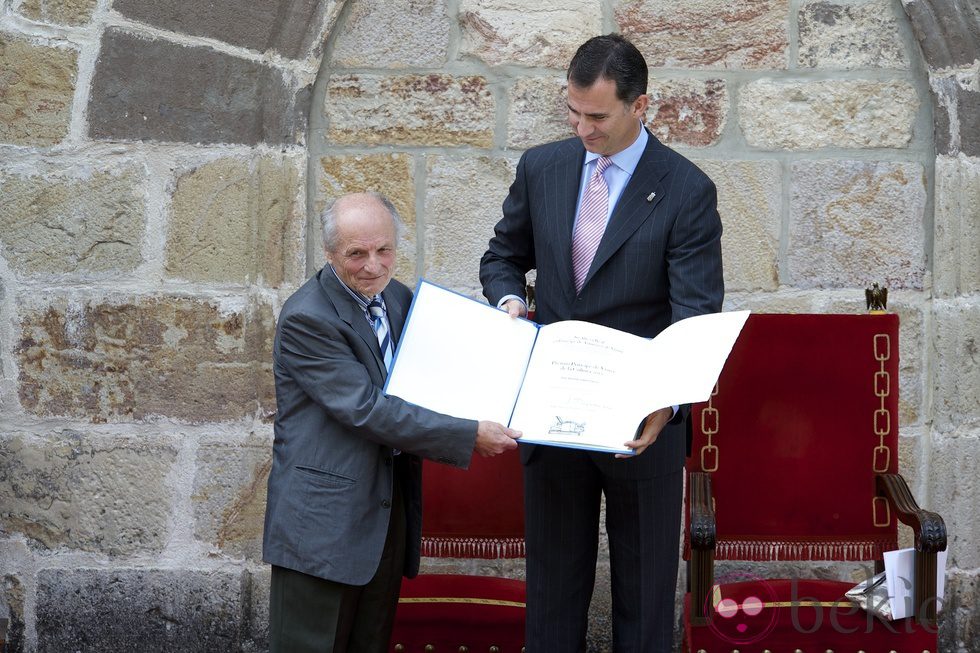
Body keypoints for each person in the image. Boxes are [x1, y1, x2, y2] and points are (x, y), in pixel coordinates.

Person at [480, 34, 724, 652]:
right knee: (553, 600)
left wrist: (665, 404)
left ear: (641, 106)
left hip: (641, 425)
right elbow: (502, 256)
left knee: (644, 606)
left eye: (597, 116)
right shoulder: (543, 168)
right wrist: (510, 305)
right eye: (573, 111)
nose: (582, 128)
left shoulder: (687, 190)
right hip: (552, 415)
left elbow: (693, 316)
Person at [263, 191, 521, 653]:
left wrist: (509, 344)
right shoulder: (308, 317)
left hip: (385, 514)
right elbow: (366, 409)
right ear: (329, 252)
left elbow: (441, 367)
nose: (373, 266)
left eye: (385, 250)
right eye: (356, 254)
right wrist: (467, 434)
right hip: (322, 525)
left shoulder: (398, 298)